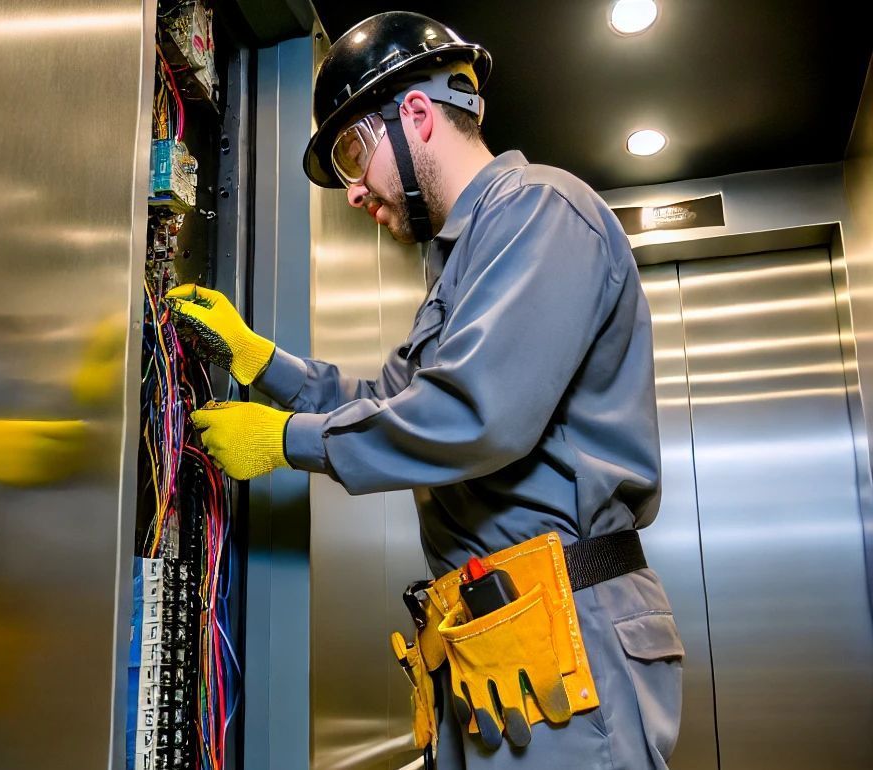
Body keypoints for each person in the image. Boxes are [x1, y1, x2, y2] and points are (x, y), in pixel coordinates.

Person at [167, 11, 683, 770]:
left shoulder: (540, 210)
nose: (352, 192)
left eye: (351, 153)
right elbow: (396, 393)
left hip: (571, 639)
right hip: (501, 640)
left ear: (415, 115)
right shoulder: (465, 258)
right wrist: (262, 361)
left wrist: (284, 443)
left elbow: (476, 416)